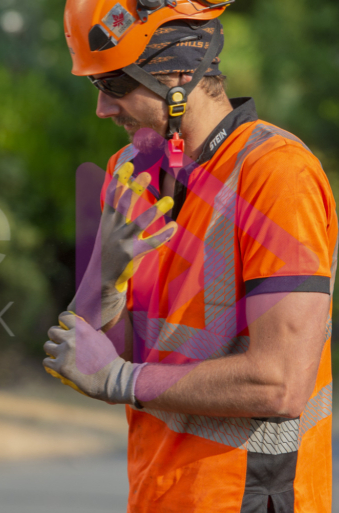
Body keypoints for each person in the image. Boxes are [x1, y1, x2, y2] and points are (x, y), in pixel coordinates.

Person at [42, 1, 337, 511]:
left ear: (178, 72)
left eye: (115, 85)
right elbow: (89, 356)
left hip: (249, 497)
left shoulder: (277, 173)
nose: (103, 109)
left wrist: (120, 380)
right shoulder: (130, 169)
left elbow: (281, 383)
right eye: (98, 87)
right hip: (157, 494)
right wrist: (104, 274)